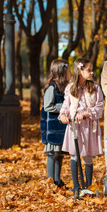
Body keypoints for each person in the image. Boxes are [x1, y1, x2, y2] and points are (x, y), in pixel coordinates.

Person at [59, 58, 104, 193]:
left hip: (89, 126)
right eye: (89, 70)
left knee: (88, 155)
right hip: (75, 126)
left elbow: (100, 106)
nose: (91, 73)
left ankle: (88, 186)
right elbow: (66, 106)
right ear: (80, 71)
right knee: (75, 155)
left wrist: (87, 113)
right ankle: (77, 186)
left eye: (92, 70)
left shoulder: (95, 88)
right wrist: (63, 115)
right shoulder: (71, 88)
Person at [40, 59, 70, 188]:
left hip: (61, 128)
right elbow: (48, 106)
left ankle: (57, 180)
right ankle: (50, 181)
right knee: (52, 155)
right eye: (68, 70)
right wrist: (64, 107)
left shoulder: (64, 88)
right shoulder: (52, 87)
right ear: (61, 72)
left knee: (60, 155)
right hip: (52, 129)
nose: (70, 72)